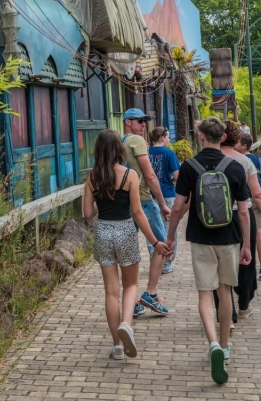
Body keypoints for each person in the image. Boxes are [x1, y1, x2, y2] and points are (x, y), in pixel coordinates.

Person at [165, 117, 251, 385]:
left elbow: (177, 207)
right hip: (229, 238)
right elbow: (244, 212)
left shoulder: (189, 166)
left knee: (205, 294)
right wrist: (247, 245)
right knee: (225, 292)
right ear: (223, 137)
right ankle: (224, 348)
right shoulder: (235, 167)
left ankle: (212, 343)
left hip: (200, 237)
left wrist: (170, 239)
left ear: (201, 136)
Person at [83, 130, 172, 360]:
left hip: (103, 232)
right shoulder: (130, 175)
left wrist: (101, 200)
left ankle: (117, 347)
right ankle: (126, 324)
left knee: (111, 292)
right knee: (131, 285)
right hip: (125, 230)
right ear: (119, 149)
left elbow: (87, 213)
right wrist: (155, 242)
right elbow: (138, 212)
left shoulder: (92, 177)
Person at [219, 120, 261, 317]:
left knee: (221, 262)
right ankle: (244, 304)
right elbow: (258, 194)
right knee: (246, 260)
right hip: (242, 214)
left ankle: (226, 312)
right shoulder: (245, 161)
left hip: (216, 216)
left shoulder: (206, 159)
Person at [120, 108, 170, 317]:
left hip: (126, 202)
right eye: (139, 121)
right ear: (128, 122)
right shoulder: (137, 141)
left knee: (128, 250)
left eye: (145, 121)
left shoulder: (121, 141)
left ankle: (131, 300)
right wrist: (163, 203)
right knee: (162, 246)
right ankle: (151, 293)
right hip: (145, 200)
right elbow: (149, 175)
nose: (143, 125)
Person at [235, 132, 261, 281]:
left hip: (241, 200)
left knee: (240, 232)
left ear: (244, 146)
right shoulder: (256, 160)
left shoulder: (235, 159)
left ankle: (240, 267)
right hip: (256, 199)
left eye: (237, 142)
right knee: (259, 231)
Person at [148, 127, 181, 274]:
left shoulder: (146, 152)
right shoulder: (169, 153)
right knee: (168, 230)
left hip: (148, 195)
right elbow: (177, 176)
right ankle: (166, 264)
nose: (169, 139)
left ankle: (154, 261)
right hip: (167, 194)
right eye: (167, 137)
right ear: (162, 137)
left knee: (152, 229)